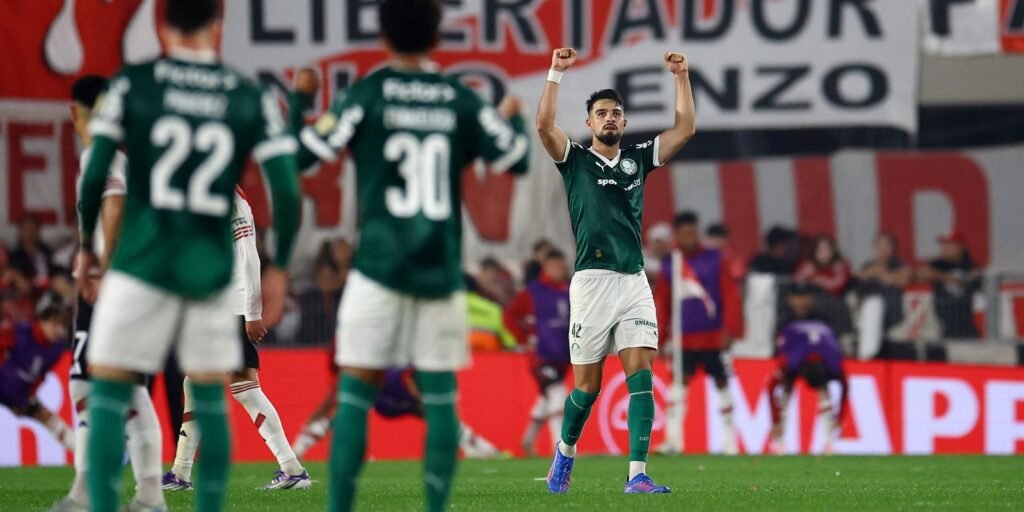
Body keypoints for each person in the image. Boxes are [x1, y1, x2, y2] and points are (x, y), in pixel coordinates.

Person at [289, 1, 530, 509]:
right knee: (439, 396)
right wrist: (508, 121)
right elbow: (517, 157)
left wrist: (299, 100)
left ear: (382, 36)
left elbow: (303, 155)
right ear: (438, 37)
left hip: (377, 268)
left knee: (355, 391)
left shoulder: (366, 94)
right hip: (439, 272)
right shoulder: (459, 99)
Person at [75, 0, 301, 510]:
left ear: (160, 22)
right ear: (218, 24)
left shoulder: (133, 85)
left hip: (146, 265)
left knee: (110, 385)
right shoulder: (246, 95)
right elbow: (287, 192)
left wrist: (88, 247)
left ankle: (110, 494)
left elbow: (95, 173)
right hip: (207, 278)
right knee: (208, 391)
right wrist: (279, 273)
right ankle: (190, 478)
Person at [536, 47, 695, 494]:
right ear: (589, 123)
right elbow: (544, 126)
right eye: (601, 113)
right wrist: (556, 73)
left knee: (641, 375)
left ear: (624, 123)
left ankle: (636, 475)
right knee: (587, 388)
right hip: (592, 283)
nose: (609, 118)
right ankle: (565, 451)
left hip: (633, 281)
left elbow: (685, 128)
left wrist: (681, 76)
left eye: (616, 113)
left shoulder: (638, 160)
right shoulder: (574, 160)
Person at [50, 75, 165, 512]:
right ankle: (143, 494)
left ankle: (95, 493)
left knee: (94, 384)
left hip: (114, 283)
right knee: (109, 385)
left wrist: (100, 265)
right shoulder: (118, 155)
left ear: (74, 111)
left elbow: (114, 204)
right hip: (132, 281)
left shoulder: (103, 155)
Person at [163, 188, 311, 492]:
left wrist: (252, 313)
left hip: (230, 307)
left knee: (232, 387)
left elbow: (248, 256)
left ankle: (182, 473)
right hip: (218, 305)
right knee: (230, 387)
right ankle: (291, 469)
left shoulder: (230, 198)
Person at [653, 211, 743, 455]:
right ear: (677, 235)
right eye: (684, 234)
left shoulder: (715, 258)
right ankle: (673, 441)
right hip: (684, 337)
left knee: (722, 383)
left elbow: (730, 294)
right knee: (678, 386)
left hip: (714, 336)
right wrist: (659, 338)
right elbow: (663, 302)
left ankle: (730, 442)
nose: (689, 238)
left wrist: (730, 329)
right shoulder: (671, 262)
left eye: (692, 233)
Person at [503, 248, 572, 455]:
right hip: (541, 356)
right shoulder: (533, 292)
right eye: (554, 266)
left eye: (561, 266)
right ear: (545, 267)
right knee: (557, 394)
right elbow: (509, 315)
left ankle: (528, 439)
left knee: (546, 398)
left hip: (563, 355)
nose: (558, 270)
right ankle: (560, 448)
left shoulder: (569, 290)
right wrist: (524, 339)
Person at [767, 284, 849, 455]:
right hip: (798, 358)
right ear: (790, 299)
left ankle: (828, 442)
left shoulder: (822, 318)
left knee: (821, 390)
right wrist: (840, 417)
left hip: (812, 361)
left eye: (804, 297)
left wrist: (840, 417)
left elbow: (770, 387)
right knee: (789, 392)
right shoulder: (785, 320)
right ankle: (781, 442)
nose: (801, 301)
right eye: (797, 297)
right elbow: (845, 385)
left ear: (811, 299)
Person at [0, 304, 73, 451]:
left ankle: (85, 454)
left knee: (51, 420)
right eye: (55, 325)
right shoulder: (19, 332)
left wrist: (28, 396)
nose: (59, 330)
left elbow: (40, 375)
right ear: (42, 321)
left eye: (62, 326)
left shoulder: (56, 350)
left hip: (19, 395)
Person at [917, 231, 982, 338]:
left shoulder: (970, 265)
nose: (945, 248)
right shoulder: (938, 264)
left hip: (965, 322)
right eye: (943, 245)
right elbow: (921, 273)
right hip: (943, 324)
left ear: (960, 247)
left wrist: (965, 280)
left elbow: (977, 279)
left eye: (949, 245)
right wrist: (949, 278)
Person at [856, 233, 910, 330]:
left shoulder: (896, 263)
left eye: (886, 245)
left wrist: (880, 273)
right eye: (879, 245)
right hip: (868, 307)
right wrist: (866, 274)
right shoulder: (868, 265)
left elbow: (904, 279)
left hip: (889, 309)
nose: (882, 249)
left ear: (891, 248)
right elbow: (860, 277)